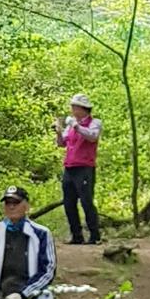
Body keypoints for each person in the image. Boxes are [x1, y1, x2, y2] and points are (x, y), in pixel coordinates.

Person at [58, 94, 102, 244]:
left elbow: (92, 136)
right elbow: (61, 143)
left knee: (86, 201)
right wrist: (59, 132)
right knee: (69, 203)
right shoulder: (71, 124)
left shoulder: (94, 123)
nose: (72, 110)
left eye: (74, 107)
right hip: (69, 167)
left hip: (85, 168)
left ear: (82, 109)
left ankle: (94, 235)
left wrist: (76, 126)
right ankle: (76, 236)